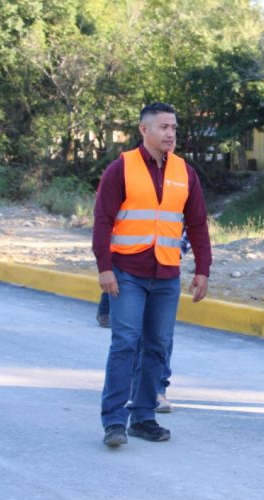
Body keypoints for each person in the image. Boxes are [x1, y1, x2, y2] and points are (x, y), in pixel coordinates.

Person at [93, 102, 212, 447]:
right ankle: (115, 421)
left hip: (166, 273)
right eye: (163, 127)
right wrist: (104, 268)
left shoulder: (184, 172)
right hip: (126, 270)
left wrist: (202, 269)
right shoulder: (121, 168)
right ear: (143, 130)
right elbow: (102, 221)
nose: (170, 133)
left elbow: (198, 224)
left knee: (158, 346)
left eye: (174, 127)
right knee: (125, 344)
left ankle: (143, 417)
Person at [96, 231, 190, 413]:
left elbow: (192, 223)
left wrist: (175, 253)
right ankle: (117, 413)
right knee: (127, 340)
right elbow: (107, 221)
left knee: (159, 338)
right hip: (127, 265)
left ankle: (154, 392)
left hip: (164, 266)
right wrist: (106, 266)